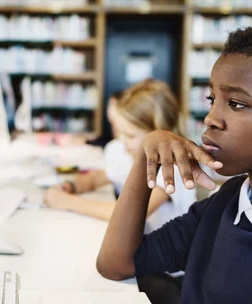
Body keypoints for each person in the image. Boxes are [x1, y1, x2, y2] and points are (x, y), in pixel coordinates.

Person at [97, 19, 252, 304]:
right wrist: (145, 157)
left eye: (237, 104)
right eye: (212, 99)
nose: (211, 119)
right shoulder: (228, 200)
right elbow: (116, 264)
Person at [44, 79, 195, 234]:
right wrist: (73, 186)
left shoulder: (173, 168)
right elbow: (96, 179)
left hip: (168, 252)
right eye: (119, 131)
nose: (122, 141)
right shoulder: (127, 152)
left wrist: (68, 202)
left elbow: (128, 215)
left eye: (130, 136)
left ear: (159, 132)